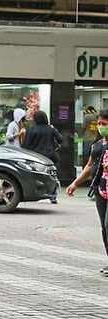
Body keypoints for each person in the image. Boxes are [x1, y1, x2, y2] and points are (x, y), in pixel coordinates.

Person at [67, 109, 108, 274]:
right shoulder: (97, 144)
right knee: (104, 228)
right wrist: (75, 183)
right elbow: (90, 166)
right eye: (99, 123)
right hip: (100, 189)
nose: (100, 126)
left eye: (104, 124)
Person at [23, 110, 63, 204]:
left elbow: (26, 145)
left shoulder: (31, 129)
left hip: (36, 157)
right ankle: (53, 195)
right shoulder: (51, 128)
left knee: (37, 175)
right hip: (50, 156)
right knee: (52, 175)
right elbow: (60, 139)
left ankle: (37, 192)